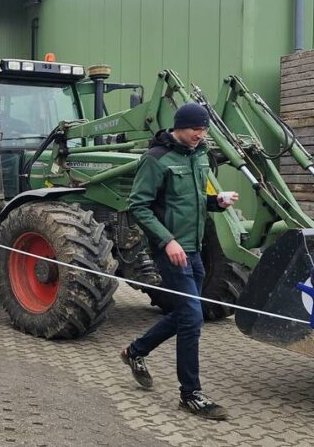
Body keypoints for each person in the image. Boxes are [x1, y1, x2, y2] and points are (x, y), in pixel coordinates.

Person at [122, 102, 237, 420]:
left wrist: (216, 202)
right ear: (179, 126)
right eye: (195, 129)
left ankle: (135, 351)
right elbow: (139, 206)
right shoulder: (156, 159)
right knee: (192, 319)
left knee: (190, 312)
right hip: (170, 250)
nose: (200, 135)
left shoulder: (199, 155)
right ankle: (190, 394)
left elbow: (193, 200)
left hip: (193, 248)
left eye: (204, 129)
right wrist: (167, 240)